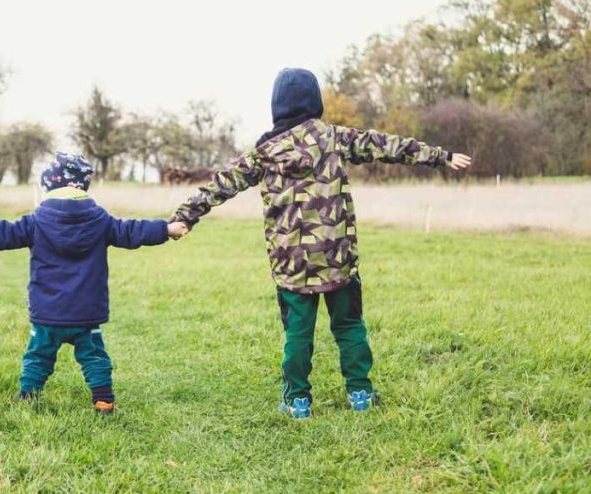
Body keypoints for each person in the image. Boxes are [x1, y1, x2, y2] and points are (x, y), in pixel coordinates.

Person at [169, 68, 471, 419]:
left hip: (291, 265)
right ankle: (360, 393)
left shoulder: (264, 152)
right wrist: (440, 156)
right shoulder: (333, 138)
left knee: (297, 333)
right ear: (315, 102)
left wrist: (185, 216)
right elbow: (385, 145)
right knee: (348, 326)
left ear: (277, 106)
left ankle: (298, 400)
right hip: (337, 257)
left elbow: (220, 184)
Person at [0, 152, 186, 414]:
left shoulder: (36, 221)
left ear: (49, 186)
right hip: (86, 313)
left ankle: (28, 397)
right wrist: (166, 229)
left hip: (47, 313)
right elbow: (132, 231)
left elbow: (0, 233)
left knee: (38, 357)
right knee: (94, 357)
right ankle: (103, 399)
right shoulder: (101, 221)